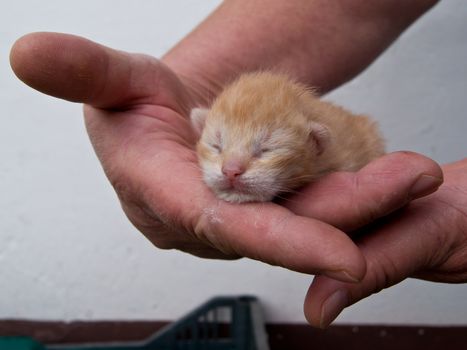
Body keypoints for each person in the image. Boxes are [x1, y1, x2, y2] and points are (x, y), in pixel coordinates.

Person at [10, 0, 467, 328]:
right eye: (215, 145)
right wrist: (176, 87)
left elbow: (360, 135)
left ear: (316, 144)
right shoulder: (225, 132)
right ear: (200, 128)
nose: (231, 169)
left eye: (265, 151)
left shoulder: (339, 140)